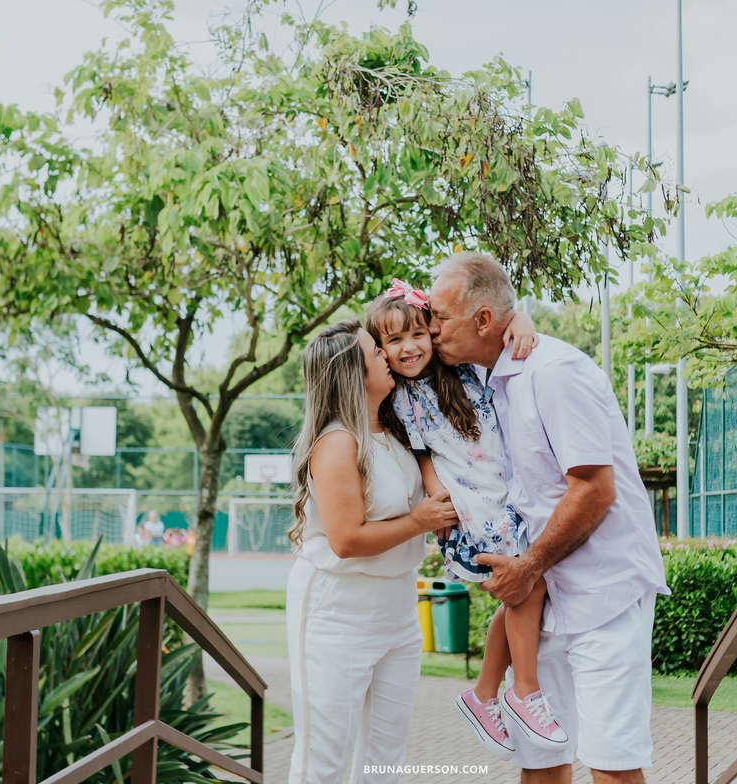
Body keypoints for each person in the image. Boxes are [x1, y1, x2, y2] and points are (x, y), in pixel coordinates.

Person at [429, 252, 670, 784]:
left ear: (484, 321)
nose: (431, 327)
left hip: (602, 596)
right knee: (539, 765)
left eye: (440, 317)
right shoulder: (485, 376)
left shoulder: (555, 371)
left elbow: (594, 490)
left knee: (611, 765)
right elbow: (391, 342)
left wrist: (528, 566)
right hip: (543, 603)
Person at [364, 284, 569, 761]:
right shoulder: (400, 398)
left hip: (503, 495)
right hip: (473, 511)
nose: (409, 347)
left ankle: (483, 696)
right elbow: (423, 457)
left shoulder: (463, 369)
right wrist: (439, 500)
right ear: (381, 352)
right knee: (527, 585)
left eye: (418, 333)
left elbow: (500, 331)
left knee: (521, 592)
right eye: (393, 342)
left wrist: (519, 320)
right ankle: (524, 692)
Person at [285, 319, 459, 784]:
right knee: (323, 756)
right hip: (337, 610)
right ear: (353, 374)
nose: (387, 353)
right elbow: (346, 540)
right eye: (375, 352)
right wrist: (419, 521)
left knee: (385, 759)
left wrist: (519, 322)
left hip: (398, 609)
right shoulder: (338, 441)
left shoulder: (397, 426)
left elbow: (428, 329)